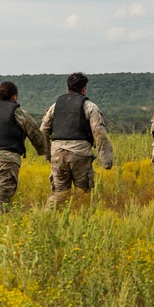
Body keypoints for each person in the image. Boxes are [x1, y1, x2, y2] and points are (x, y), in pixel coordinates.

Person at [40, 73, 113, 207]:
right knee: (84, 195)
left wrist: (48, 154)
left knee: (59, 195)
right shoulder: (90, 107)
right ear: (84, 89)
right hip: (80, 155)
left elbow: (44, 130)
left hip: (58, 155)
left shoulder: (55, 106)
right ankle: (84, 221)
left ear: (68, 87)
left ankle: (49, 219)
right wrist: (106, 161)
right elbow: (99, 134)